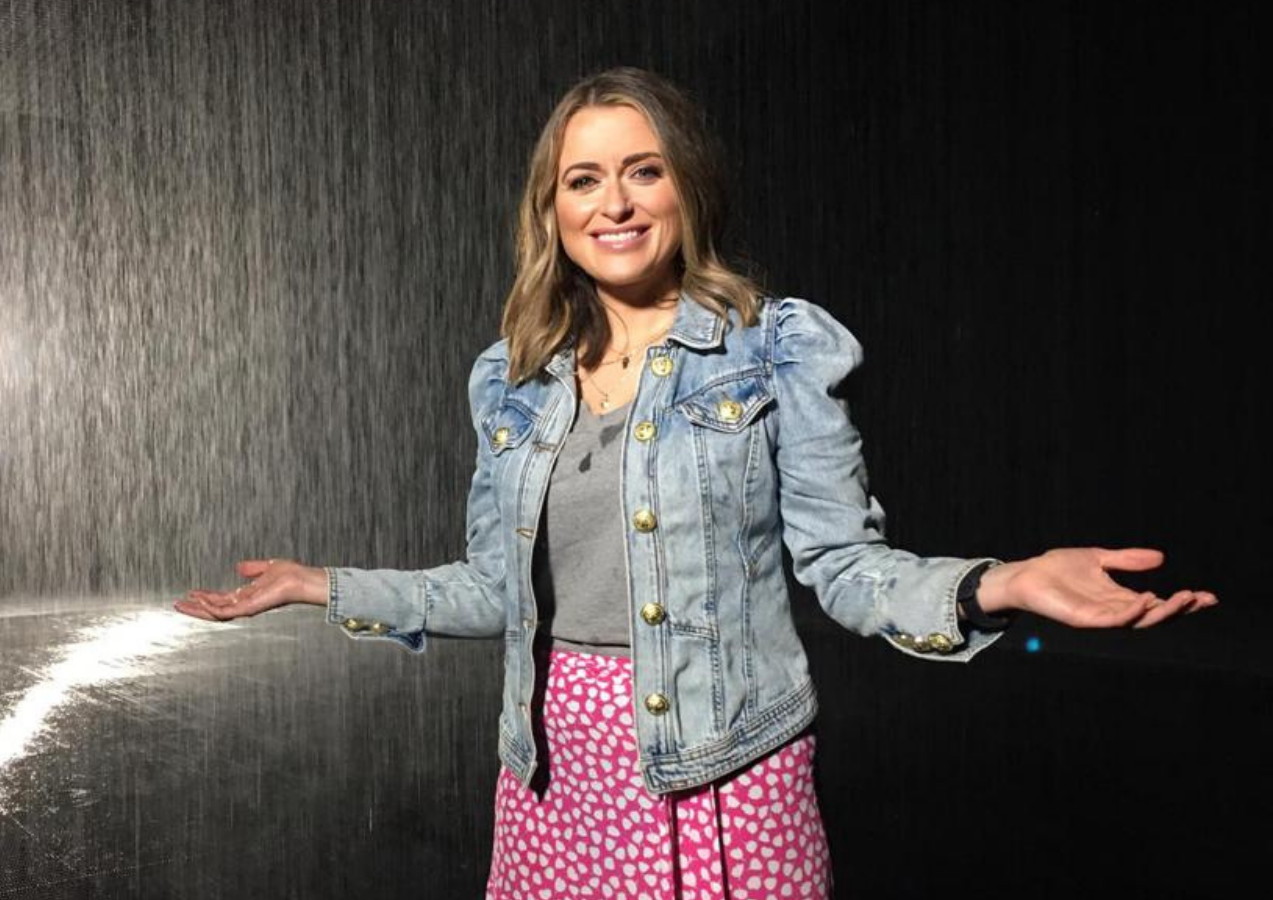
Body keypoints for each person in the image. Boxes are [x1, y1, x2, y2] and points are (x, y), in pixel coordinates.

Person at [173, 67, 1216, 900]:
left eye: (643, 171)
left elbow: (843, 566)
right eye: (583, 180)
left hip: (724, 763)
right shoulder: (513, 377)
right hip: (551, 771)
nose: (614, 203)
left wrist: (1003, 581)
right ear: (553, 208)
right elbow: (497, 588)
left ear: (687, 187)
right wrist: (324, 587)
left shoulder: (773, 350)